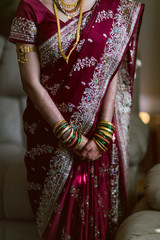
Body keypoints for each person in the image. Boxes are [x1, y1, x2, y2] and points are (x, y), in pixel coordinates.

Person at [9, 0, 144, 239]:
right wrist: (70, 137)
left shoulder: (111, 5)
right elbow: (31, 83)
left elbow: (110, 69)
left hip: (97, 138)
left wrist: (103, 130)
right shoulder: (29, 6)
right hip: (48, 136)